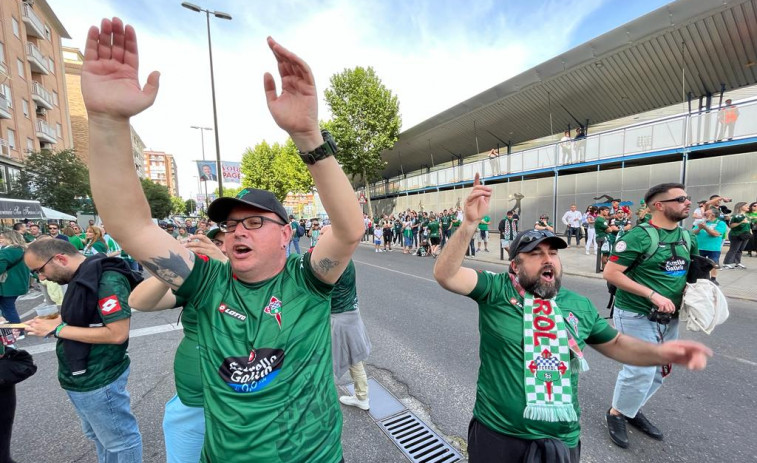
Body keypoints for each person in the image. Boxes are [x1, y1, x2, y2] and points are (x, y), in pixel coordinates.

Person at [81, 18, 363, 462]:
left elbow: (349, 229)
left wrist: (308, 136)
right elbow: (131, 226)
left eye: (254, 223)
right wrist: (107, 121)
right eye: (231, 226)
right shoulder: (206, 283)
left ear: (287, 233)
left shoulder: (307, 281)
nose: (237, 233)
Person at [433, 174, 711, 462]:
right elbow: (447, 274)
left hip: (562, 437)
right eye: (535, 254)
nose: (548, 259)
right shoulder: (496, 290)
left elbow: (616, 344)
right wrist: (468, 224)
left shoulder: (578, 305)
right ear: (514, 265)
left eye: (553, 252)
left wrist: (663, 353)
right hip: (499, 434)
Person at [23, 238, 143, 462]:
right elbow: (86, 315)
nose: (41, 277)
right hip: (83, 377)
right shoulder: (84, 274)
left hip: (99, 378)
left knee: (121, 441)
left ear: (60, 258)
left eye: (39, 270)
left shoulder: (107, 280)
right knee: (102, 437)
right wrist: (53, 321)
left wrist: (58, 328)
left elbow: (117, 334)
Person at [604, 183, 700, 449]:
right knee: (639, 370)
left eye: (687, 197)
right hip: (636, 313)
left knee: (659, 370)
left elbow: (692, 269)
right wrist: (653, 295)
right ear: (659, 205)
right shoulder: (638, 236)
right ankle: (616, 414)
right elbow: (611, 273)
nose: (687, 202)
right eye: (680, 199)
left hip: (670, 317)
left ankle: (630, 409)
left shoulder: (687, 236)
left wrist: (705, 291)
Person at [129, 229, 228, 463]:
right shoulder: (201, 281)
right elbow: (139, 301)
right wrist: (177, 264)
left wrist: (223, 263)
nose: (221, 247)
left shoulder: (262, 280)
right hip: (192, 404)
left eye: (229, 242)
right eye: (216, 242)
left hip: (242, 404)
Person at [315, 226, 372, 411]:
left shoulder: (332, 261)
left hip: (338, 316)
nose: (318, 238)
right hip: (350, 313)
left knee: (324, 357)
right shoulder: (344, 256)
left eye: (323, 235)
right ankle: (362, 396)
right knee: (354, 359)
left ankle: (321, 399)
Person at [0, 231, 30, 339]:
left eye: (2, 238)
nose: (0, 240)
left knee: (8, 310)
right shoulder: (22, 250)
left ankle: (17, 332)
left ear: (10, 239)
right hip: (16, 284)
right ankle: (16, 331)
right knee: (8, 309)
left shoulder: (7, 252)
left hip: (6, 285)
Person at [692, 208, 727, 285]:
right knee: (698, 263)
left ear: (713, 215)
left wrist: (705, 228)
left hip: (713, 248)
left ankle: (713, 278)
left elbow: (716, 234)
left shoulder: (720, 223)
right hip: (700, 247)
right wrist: (699, 228)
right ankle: (699, 277)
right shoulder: (703, 222)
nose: (704, 215)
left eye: (706, 214)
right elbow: (693, 232)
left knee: (714, 262)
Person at [722, 201, 751, 269]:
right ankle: (727, 263)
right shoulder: (736, 216)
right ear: (740, 207)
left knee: (740, 249)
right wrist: (741, 222)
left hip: (745, 235)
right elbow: (731, 226)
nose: (748, 206)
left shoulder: (747, 216)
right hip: (736, 234)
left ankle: (737, 262)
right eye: (746, 205)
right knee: (734, 249)